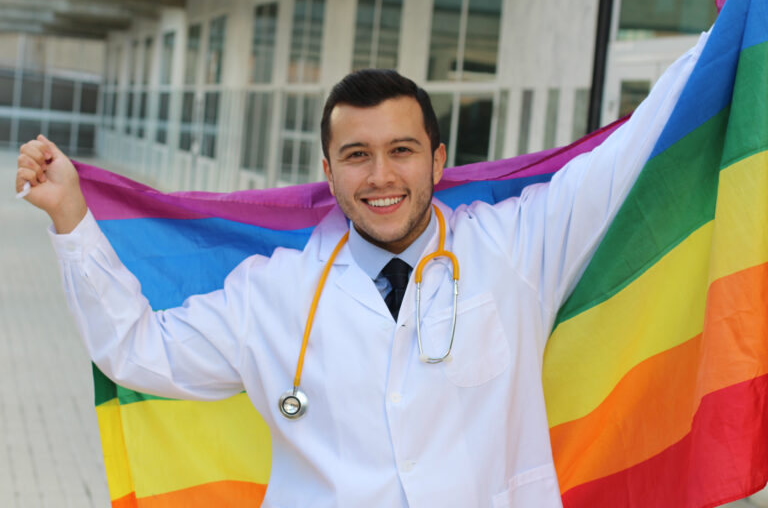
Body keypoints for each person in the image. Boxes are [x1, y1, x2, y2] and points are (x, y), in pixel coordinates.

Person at [15, 35, 706, 507]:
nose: (381, 177)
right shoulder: (274, 293)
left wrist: (734, 26)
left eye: (402, 150)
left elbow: (640, 141)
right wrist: (71, 218)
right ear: (327, 171)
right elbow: (140, 352)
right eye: (356, 155)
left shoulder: (518, 246)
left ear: (438, 161)